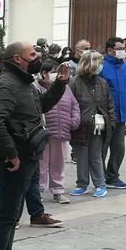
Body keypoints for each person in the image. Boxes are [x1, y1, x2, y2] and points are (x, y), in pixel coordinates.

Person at [0, 41, 71, 250]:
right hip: (14, 160)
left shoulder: (24, 82)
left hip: (27, 155)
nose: (37, 57)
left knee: (13, 214)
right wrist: (11, 154)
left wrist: (60, 83)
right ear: (17, 59)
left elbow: (41, 106)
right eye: (32, 54)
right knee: (7, 216)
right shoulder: (7, 85)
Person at [69, 51, 116, 198]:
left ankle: (100, 184)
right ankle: (82, 184)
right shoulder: (74, 82)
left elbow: (109, 104)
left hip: (99, 123)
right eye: (99, 62)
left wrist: (112, 122)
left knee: (96, 155)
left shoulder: (102, 82)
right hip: (80, 125)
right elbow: (69, 104)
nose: (101, 66)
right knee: (81, 155)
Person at [37, 59, 80, 203]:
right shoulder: (36, 88)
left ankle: (58, 191)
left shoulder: (65, 88)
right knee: (41, 165)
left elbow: (75, 105)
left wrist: (74, 121)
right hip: (43, 133)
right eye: (53, 72)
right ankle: (38, 190)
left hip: (61, 132)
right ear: (44, 73)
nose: (56, 74)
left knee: (58, 163)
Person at [99, 37, 126, 189]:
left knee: (119, 148)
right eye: (119, 48)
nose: (122, 51)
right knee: (101, 149)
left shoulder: (125, 67)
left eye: (123, 48)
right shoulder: (101, 66)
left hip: (121, 115)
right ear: (110, 50)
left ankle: (113, 176)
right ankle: (99, 177)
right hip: (105, 115)